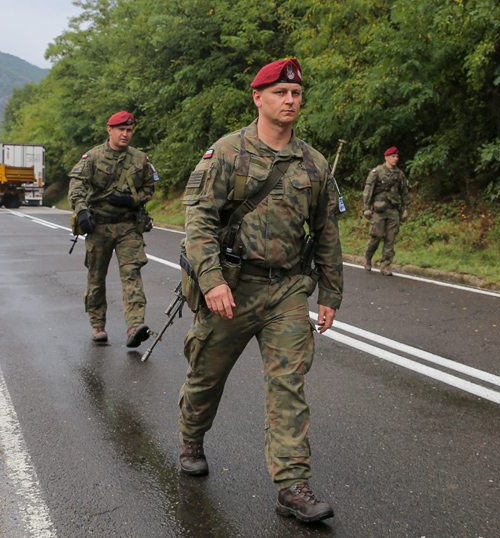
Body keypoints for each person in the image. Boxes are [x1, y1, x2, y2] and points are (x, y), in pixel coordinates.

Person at [176, 58, 343, 523]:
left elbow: (326, 230)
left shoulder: (314, 162)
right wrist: (210, 281)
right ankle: (192, 436)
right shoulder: (227, 153)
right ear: (258, 98)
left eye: (295, 94)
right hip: (231, 287)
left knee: (289, 384)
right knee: (206, 376)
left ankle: (293, 485)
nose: (290, 101)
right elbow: (199, 222)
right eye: (279, 93)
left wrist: (330, 292)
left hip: (287, 289)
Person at [68, 111, 157, 346]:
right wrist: (82, 211)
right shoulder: (94, 157)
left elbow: (150, 187)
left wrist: (133, 200)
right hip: (99, 227)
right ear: (110, 130)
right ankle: (98, 325)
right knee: (96, 277)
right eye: (121, 130)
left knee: (132, 275)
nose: (125, 134)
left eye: (129, 130)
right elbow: (76, 185)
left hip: (128, 227)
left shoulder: (140, 160)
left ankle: (135, 327)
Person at [362, 146, 410, 276]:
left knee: (390, 238)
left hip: (393, 210)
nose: (396, 159)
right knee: (376, 236)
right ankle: (368, 258)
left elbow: (404, 192)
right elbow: (368, 191)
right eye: (393, 156)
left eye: (397, 157)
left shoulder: (399, 174)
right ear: (386, 157)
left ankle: (385, 265)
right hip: (379, 210)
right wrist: (366, 208)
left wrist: (405, 209)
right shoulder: (377, 172)